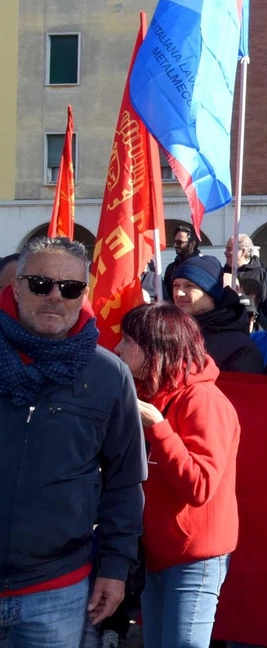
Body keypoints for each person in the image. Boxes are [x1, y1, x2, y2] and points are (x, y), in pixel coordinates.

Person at [0, 237, 145, 643]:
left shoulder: (108, 374)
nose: (54, 297)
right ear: (15, 286)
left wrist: (116, 568)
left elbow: (124, 481)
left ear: (84, 292)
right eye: (40, 283)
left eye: (70, 288)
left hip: (57, 591)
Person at [114, 303, 239, 648]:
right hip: (158, 552)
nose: (117, 349)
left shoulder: (203, 400)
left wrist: (159, 428)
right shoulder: (153, 393)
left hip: (195, 558)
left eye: (126, 341)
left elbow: (199, 486)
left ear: (156, 349)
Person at [171, 255, 263, 374]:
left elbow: (242, 389)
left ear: (211, 293)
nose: (179, 293)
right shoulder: (167, 333)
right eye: (175, 285)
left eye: (189, 286)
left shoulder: (239, 347)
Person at [223, 234, 267, 319]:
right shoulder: (222, 273)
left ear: (243, 252)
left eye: (229, 249)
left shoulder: (262, 274)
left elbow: (265, 304)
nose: (225, 252)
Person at [162, 224, 201, 301]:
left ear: (192, 243)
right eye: (174, 242)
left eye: (180, 242)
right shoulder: (171, 268)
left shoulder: (202, 266)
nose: (175, 245)